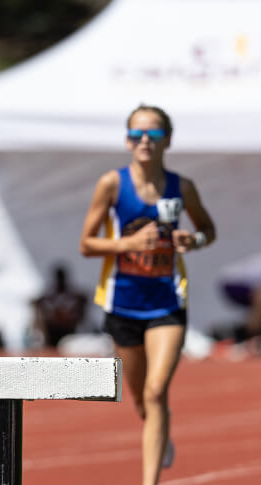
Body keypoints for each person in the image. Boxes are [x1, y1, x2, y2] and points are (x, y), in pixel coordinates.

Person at [80, 105, 215, 484]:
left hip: (167, 302)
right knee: (141, 400)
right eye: (137, 134)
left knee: (157, 392)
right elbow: (87, 244)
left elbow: (208, 229)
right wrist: (129, 243)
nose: (144, 140)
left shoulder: (182, 187)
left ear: (166, 140)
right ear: (127, 140)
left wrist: (193, 240)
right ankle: (160, 429)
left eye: (153, 134)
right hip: (122, 303)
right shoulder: (112, 184)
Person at [30, 263, 88, 348]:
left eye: (61, 278)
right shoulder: (51, 294)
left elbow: (83, 299)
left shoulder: (72, 294)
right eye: (59, 278)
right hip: (53, 329)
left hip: (68, 328)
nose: (60, 280)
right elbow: (37, 302)